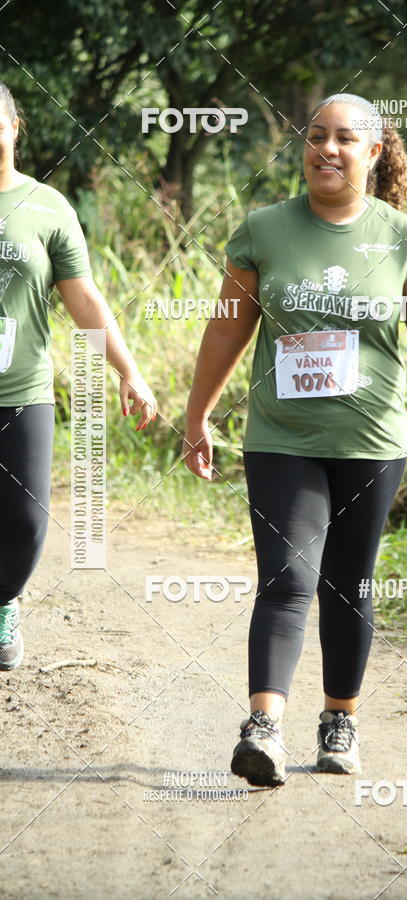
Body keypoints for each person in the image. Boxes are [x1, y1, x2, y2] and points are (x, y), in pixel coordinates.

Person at [184, 92, 407, 786]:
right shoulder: (264, 229)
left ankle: (340, 718)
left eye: (345, 138)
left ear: (374, 152)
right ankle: (264, 727)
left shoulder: (402, 235)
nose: (327, 150)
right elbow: (227, 327)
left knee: (348, 584)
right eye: (316, 137)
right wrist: (198, 416)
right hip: (281, 436)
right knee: (286, 579)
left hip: (371, 441)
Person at [0, 82, 157, 671]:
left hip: (21, 391)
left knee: (24, 521)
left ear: (15, 128)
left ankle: (4, 601)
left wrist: (129, 372)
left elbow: (85, 299)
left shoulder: (46, 207)